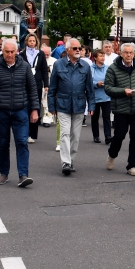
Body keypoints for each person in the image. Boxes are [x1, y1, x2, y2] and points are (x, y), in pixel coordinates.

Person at [0, 38, 40, 187]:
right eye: (6, 51)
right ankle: (4, 173)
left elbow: (32, 90)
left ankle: (23, 175)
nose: (9, 54)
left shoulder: (25, 67)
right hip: (1, 112)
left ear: (17, 52)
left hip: (21, 111)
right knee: (2, 143)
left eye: (12, 52)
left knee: (22, 142)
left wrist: (34, 110)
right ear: (2, 51)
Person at [48, 38, 95, 176]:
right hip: (62, 104)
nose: (78, 50)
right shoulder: (58, 64)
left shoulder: (85, 66)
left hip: (79, 105)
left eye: (79, 48)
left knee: (76, 136)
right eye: (75, 48)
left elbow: (90, 89)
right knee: (65, 133)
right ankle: (66, 163)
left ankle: (71, 160)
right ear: (67, 50)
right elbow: (52, 88)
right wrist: (51, 106)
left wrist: (91, 105)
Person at [104, 42, 135, 176]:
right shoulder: (113, 68)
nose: (128, 55)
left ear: (134, 54)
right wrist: (123, 91)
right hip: (120, 109)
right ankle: (112, 155)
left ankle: (132, 166)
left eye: (131, 52)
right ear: (121, 53)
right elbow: (108, 88)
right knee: (119, 136)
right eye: (126, 52)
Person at [19, 33, 49, 144]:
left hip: (37, 84)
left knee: (35, 107)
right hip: (24, 84)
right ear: (26, 42)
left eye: (34, 41)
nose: (32, 43)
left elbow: (44, 70)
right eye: (30, 41)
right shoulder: (22, 54)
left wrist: (46, 84)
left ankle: (32, 134)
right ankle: (24, 133)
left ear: (36, 42)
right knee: (25, 108)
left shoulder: (40, 54)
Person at [90, 48, 112, 144]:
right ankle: (96, 136)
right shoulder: (90, 68)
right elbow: (88, 81)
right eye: (100, 56)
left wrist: (107, 83)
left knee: (106, 117)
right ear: (95, 58)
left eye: (103, 56)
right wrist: (96, 84)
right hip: (94, 96)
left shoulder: (108, 68)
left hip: (106, 96)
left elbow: (111, 79)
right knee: (95, 117)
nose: (102, 58)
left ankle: (108, 136)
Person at [41, 45, 57, 128]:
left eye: (48, 54)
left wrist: (49, 69)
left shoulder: (54, 61)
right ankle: (39, 118)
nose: (46, 56)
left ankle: (46, 120)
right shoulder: (38, 60)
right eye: (44, 54)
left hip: (50, 85)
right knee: (39, 103)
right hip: (40, 84)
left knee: (47, 104)